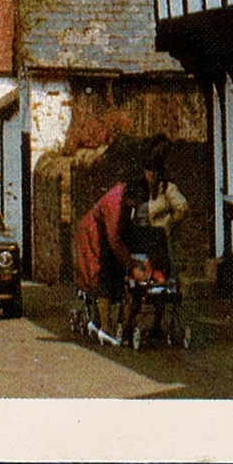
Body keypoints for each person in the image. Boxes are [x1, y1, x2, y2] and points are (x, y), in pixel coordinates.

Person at [73, 136, 188, 338]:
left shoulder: (164, 189)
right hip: (96, 235)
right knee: (103, 274)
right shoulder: (115, 206)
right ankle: (106, 326)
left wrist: (167, 222)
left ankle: (124, 325)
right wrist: (129, 262)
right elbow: (115, 237)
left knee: (152, 282)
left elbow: (181, 207)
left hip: (154, 239)